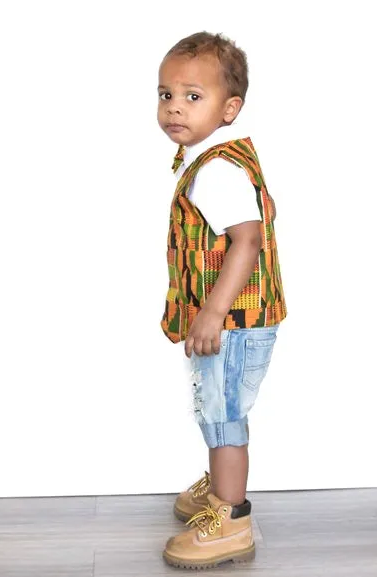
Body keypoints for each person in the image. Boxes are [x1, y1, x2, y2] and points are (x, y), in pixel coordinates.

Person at [157, 31, 287, 570]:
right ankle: (220, 490)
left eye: (193, 96)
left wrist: (211, 311)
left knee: (224, 415)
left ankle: (230, 519)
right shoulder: (219, 160)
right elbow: (265, 212)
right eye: (166, 94)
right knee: (216, 409)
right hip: (236, 320)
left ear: (229, 109)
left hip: (233, 321)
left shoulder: (215, 171)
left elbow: (249, 239)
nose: (174, 108)